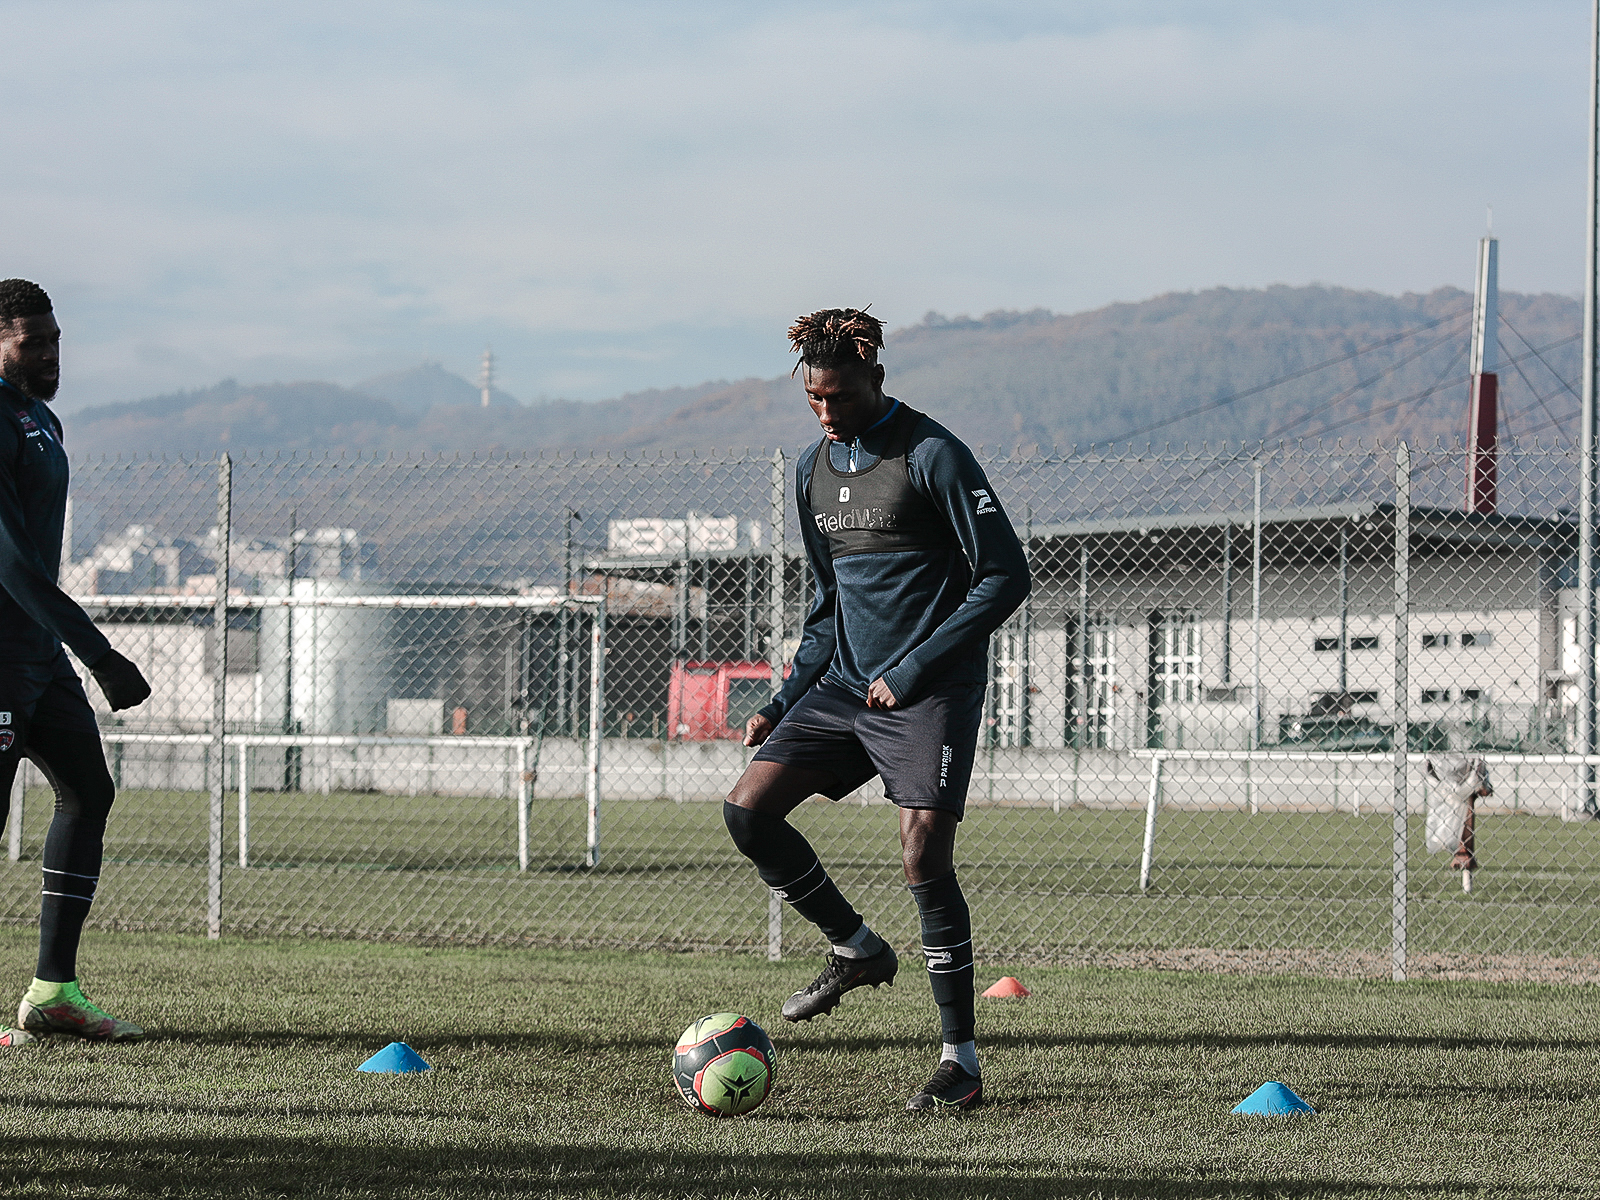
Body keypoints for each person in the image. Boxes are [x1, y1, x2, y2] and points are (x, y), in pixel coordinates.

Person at [724, 307, 1029, 1112]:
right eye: (815, 400)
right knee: (748, 812)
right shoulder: (809, 471)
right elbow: (827, 602)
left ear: (877, 381)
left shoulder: (932, 453)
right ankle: (855, 948)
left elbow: (1005, 576)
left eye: (841, 397)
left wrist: (916, 665)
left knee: (923, 856)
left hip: (929, 691)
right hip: (841, 690)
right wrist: (784, 698)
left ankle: (959, 1061)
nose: (827, 412)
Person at [0, 279, 151, 1047]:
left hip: (37, 657)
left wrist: (65, 654)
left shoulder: (42, 419)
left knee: (88, 792)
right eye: (34, 342)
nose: (52, 353)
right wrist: (102, 655)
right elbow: (13, 569)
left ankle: (53, 993)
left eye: (56, 338)